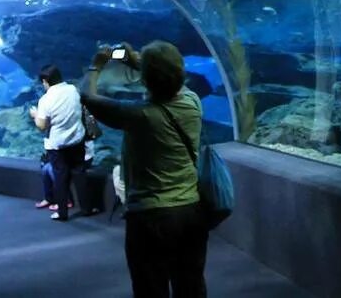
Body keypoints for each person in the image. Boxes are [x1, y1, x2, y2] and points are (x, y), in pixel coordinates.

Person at [82, 41, 208, 298]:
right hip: (190, 211)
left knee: (150, 286)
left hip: (150, 216)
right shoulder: (192, 103)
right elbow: (169, 79)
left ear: (145, 80)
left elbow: (87, 97)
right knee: (191, 284)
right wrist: (139, 62)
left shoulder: (138, 116)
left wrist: (96, 66)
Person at [29, 64, 86, 221]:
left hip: (58, 145)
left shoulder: (46, 99)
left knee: (61, 178)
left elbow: (42, 126)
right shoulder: (73, 89)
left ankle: (62, 212)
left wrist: (35, 115)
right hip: (77, 140)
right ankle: (87, 207)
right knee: (80, 173)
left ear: (46, 81)